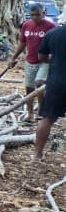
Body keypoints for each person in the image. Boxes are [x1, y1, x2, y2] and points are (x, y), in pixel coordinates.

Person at [10, 2, 57, 122]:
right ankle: (30, 113)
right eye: (32, 15)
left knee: (40, 84)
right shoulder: (26, 25)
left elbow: (56, 44)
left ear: (44, 13)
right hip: (30, 61)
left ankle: (41, 111)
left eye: (37, 14)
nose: (35, 17)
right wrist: (13, 58)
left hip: (45, 61)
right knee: (29, 88)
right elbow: (23, 43)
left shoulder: (51, 26)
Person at [34, 24, 66, 160]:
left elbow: (41, 56)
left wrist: (56, 60)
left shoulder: (53, 33)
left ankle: (37, 154)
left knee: (48, 118)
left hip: (57, 82)